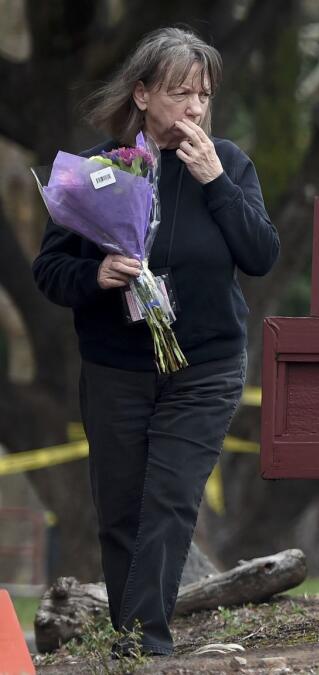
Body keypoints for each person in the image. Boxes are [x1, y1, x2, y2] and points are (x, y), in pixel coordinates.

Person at [31, 27, 279, 657]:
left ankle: (143, 647)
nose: (195, 108)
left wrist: (217, 182)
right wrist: (95, 275)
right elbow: (49, 272)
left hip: (206, 365)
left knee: (168, 499)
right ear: (142, 94)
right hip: (116, 367)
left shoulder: (228, 164)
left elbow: (261, 254)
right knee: (120, 509)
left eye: (203, 95)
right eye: (180, 93)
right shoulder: (96, 171)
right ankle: (134, 638)